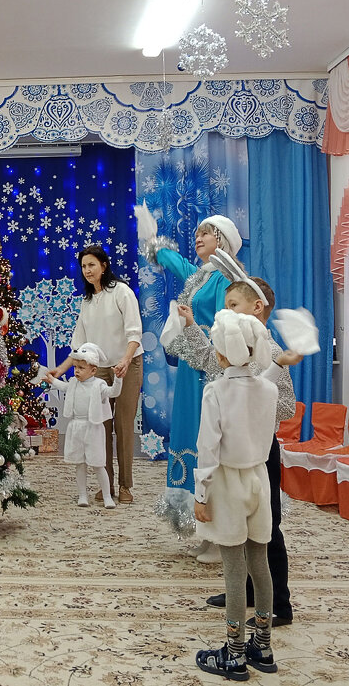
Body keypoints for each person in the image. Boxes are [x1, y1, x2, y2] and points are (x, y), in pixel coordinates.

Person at [179, 274, 299, 626]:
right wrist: (190, 326)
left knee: (267, 528)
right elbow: (209, 357)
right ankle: (246, 592)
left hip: (259, 452)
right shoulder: (230, 354)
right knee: (239, 527)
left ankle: (280, 604)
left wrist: (249, 411)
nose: (226, 312)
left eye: (232, 305)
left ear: (256, 306)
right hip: (232, 450)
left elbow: (286, 406)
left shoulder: (271, 353)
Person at [139, 209, 242, 556]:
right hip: (190, 370)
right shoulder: (202, 276)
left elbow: (225, 328)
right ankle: (206, 529)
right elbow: (178, 265)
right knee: (189, 435)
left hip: (209, 371)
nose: (198, 238)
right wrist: (154, 243)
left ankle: (219, 531)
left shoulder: (226, 279)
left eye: (207, 233)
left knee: (207, 439)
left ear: (223, 241)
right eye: (197, 233)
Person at [194, 309, 279, 680]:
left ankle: (233, 652)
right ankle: (263, 644)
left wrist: (201, 493)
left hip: (228, 482)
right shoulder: (269, 388)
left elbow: (208, 448)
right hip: (260, 478)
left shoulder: (216, 390)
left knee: (233, 570)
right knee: (260, 563)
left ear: (221, 354)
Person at [47, 245, 142, 504]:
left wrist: (124, 360)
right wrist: (62, 369)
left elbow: (134, 333)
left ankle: (125, 486)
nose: (88, 270)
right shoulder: (87, 302)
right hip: (97, 369)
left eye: (92, 265)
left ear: (104, 265)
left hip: (127, 365)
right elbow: (78, 346)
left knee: (123, 426)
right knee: (101, 426)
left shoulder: (121, 292)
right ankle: (106, 484)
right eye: (84, 266)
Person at [44, 343, 122, 509]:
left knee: (98, 463)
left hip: (93, 427)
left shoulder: (99, 385)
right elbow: (63, 387)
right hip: (76, 427)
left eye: (81, 367)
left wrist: (118, 379)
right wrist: (52, 380)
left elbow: (113, 392)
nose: (76, 371)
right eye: (75, 367)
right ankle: (82, 495)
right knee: (80, 463)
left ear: (93, 370)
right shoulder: (73, 383)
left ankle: (107, 496)